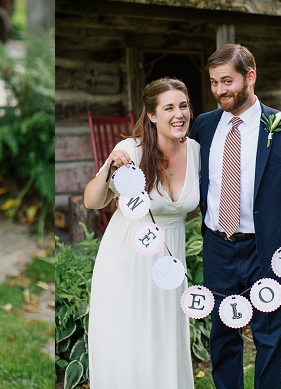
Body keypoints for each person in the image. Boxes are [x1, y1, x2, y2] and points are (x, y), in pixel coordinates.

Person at [189, 44, 281, 389]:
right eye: (213, 82)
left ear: (250, 76)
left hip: (268, 248)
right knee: (223, 335)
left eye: (227, 81)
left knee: (269, 338)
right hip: (219, 247)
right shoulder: (204, 126)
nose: (220, 90)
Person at [84, 78, 200, 389]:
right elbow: (93, 201)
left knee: (165, 343)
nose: (179, 114)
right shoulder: (129, 151)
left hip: (169, 263)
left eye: (184, 106)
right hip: (128, 261)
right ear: (151, 115)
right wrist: (109, 165)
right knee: (129, 344)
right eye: (169, 108)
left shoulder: (196, 151)